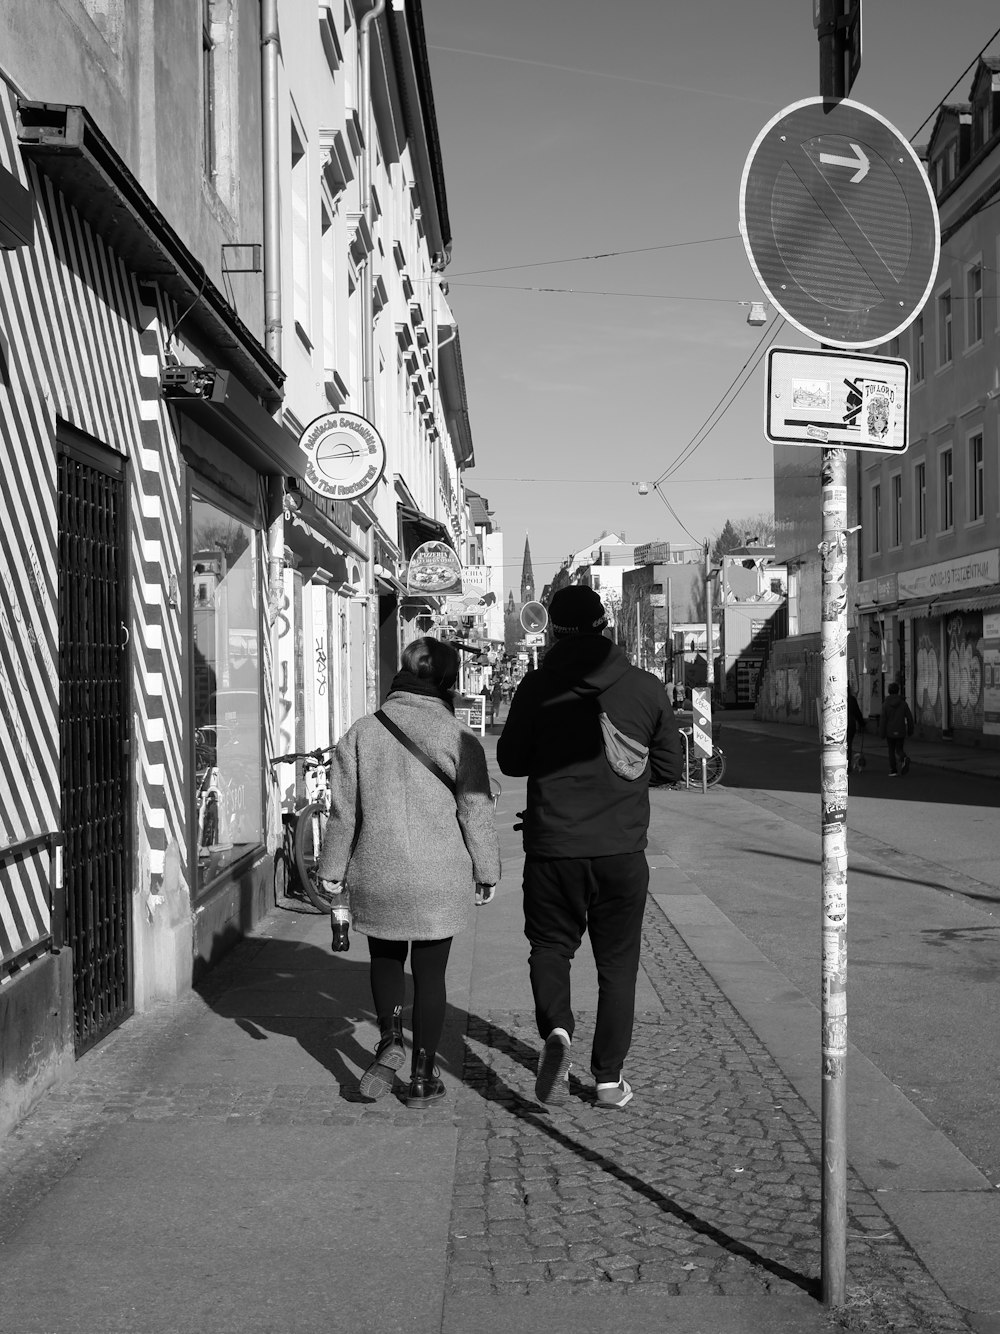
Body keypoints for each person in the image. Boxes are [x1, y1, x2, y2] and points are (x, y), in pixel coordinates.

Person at [496, 585, 684, 1110]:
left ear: (553, 630)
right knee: (618, 966)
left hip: (553, 846)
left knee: (551, 948)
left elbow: (510, 761)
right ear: (605, 626)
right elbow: (669, 767)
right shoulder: (645, 687)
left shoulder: (536, 687)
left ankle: (557, 1031)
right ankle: (607, 1080)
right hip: (622, 851)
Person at [316, 637, 501, 1107]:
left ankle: (389, 1037)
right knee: (432, 973)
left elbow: (344, 813)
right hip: (440, 873)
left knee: (385, 959)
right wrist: (487, 870)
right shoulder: (460, 738)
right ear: (448, 681)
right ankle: (422, 1076)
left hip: (379, 869)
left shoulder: (361, 732)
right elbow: (474, 812)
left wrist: (331, 869)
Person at [879, 680, 913, 777]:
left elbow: (883, 720)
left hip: (890, 731)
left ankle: (893, 770)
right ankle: (903, 757)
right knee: (899, 748)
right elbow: (909, 718)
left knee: (891, 750)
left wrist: (882, 733)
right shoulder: (903, 703)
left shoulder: (885, 704)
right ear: (898, 691)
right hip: (901, 730)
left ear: (889, 691)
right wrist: (910, 730)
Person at [846, 682, 866, 769]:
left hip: (839, 725)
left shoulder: (836, 699)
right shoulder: (852, 699)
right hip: (850, 725)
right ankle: (848, 764)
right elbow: (857, 713)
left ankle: (841, 763)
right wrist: (862, 723)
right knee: (849, 745)